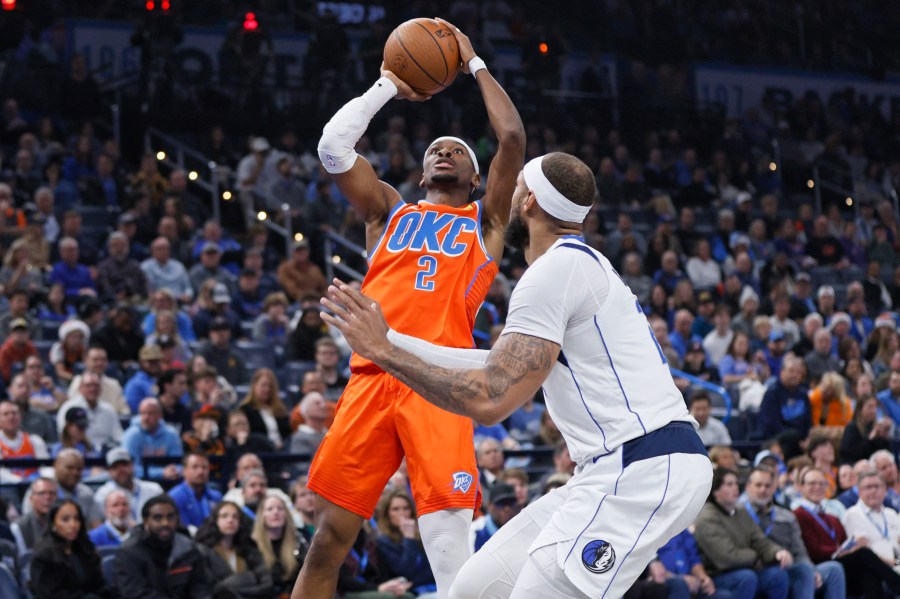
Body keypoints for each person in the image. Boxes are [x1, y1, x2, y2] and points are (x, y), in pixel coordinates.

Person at [317, 152, 711, 598]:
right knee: (471, 589)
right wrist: (390, 340)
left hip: (644, 467)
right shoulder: (573, 265)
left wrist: (387, 355)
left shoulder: (554, 272)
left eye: (518, 186)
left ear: (530, 201)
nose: (506, 196)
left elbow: (490, 399)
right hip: (607, 469)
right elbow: (492, 364)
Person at [292, 20, 526, 599]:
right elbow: (331, 148)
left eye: (459, 152)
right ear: (422, 172)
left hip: (439, 381)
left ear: (476, 178)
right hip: (372, 378)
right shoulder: (388, 213)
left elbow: (514, 138)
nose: (445, 151)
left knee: (449, 551)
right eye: (435, 150)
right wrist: (389, 86)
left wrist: (472, 63)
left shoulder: (485, 223)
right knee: (327, 542)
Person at [794, 466, 900, 597]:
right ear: (800, 487)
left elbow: (845, 542)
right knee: (864, 554)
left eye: (822, 483)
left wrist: (848, 548)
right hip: (819, 565)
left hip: (888, 562)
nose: (818, 487)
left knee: (868, 574)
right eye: (812, 483)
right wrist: (844, 551)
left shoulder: (832, 517)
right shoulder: (798, 515)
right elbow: (813, 549)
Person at [742, 466, 845, 599]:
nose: (763, 490)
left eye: (768, 486)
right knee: (795, 572)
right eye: (758, 485)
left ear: (774, 488)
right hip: (760, 568)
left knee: (833, 569)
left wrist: (813, 570)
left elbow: (800, 551)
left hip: (790, 567)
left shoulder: (786, 516)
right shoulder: (740, 515)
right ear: (748, 487)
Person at [693, 468, 792, 599]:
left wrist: (777, 553)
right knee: (746, 577)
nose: (735, 488)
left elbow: (760, 541)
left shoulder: (741, 512)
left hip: (747, 567)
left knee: (777, 575)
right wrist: (757, 558)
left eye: (735, 483)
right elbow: (726, 557)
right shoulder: (707, 517)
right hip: (718, 575)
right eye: (729, 484)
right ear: (715, 490)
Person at [114, 495, 211, 598]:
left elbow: (200, 587)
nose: (165, 523)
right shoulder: (129, 552)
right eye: (158, 518)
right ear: (146, 521)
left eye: (170, 517)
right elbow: (136, 593)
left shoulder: (187, 547)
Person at [29, 499, 113, 599]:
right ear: (53, 523)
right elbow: (49, 595)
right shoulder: (43, 556)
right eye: (65, 520)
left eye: (77, 519)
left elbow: (99, 586)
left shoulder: (86, 549)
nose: (73, 525)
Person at [194, 500, 274, 598]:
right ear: (215, 520)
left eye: (235, 517)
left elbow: (266, 583)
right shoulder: (203, 551)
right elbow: (212, 589)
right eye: (224, 516)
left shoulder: (248, 550)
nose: (230, 520)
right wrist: (248, 577)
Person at [374, 489, 437, 596]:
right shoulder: (383, 541)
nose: (402, 513)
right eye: (395, 509)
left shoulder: (422, 533)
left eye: (406, 508)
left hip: (431, 587)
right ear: (387, 514)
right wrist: (408, 538)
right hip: (409, 593)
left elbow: (434, 570)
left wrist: (412, 583)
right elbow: (406, 571)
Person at [841, 469, 900, 568]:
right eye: (868, 487)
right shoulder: (852, 515)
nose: (873, 491)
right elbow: (863, 551)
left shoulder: (891, 514)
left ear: (885, 490)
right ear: (859, 491)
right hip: (874, 569)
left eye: (877, 486)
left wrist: (897, 563)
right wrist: (893, 564)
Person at [253, 493, 307, 596]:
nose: (276, 512)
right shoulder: (252, 545)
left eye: (280, 509)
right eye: (270, 509)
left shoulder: (299, 540)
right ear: (262, 515)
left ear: (286, 514)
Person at [93, 447, 164, 523]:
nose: (121, 470)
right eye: (115, 466)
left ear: (133, 465)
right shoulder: (102, 495)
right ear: (109, 471)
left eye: (124, 464)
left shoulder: (154, 490)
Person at [121, 397, 183, 481]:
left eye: (150, 413)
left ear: (160, 415)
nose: (146, 418)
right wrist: (161, 473)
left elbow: (178, 462)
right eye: (142, 413)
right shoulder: (131, 435)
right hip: (140, 481)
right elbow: (129, 468)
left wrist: (176, 471)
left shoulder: (171, 434)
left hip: (170, 480)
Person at [57, 372, 123, 450]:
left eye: (96, 385)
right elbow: (64, 436)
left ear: (101, 388)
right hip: (79, 451)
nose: (92, 389)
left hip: (106, 452)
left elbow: (119, 436)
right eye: (88, 385)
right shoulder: (69, 407)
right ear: (80, 388)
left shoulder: (109, 409)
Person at [168, 452, 223, 530]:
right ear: (184, 471)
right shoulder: (174, 497)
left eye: (204, 467)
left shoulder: (216, 496)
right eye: (195, 467)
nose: (200, 471)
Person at [11, 477, 57, 556]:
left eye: (52, 493)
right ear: (31, 499)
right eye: (41, 493)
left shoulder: (64, 524)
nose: (47, 498)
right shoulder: (18, 527)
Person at [839, 396, 891, 465]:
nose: (873, 411)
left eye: (875, 407)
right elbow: (852, 454)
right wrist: (870, 438)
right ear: (860, 408)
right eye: (869, 407)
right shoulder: (851, 428)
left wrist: (884, 438)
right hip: (854, 465)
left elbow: (884, 452)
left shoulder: (875, 427)